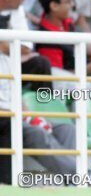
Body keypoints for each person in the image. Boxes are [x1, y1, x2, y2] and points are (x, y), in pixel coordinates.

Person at [0, 51, 76, 185]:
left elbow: (17, 98)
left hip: (17, 116)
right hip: (7, 119)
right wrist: (24, 118)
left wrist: (32, 117)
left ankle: (71, 182)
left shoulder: (8, 61)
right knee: (36, 132)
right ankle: (81, 175)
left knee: (66, 129)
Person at [0, 0, 52, 92]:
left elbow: (26, 48)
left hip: (12, 63)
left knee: (41, 63)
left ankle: (44, 107)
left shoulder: (17, 10)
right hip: (8, 62)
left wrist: (5, 47)